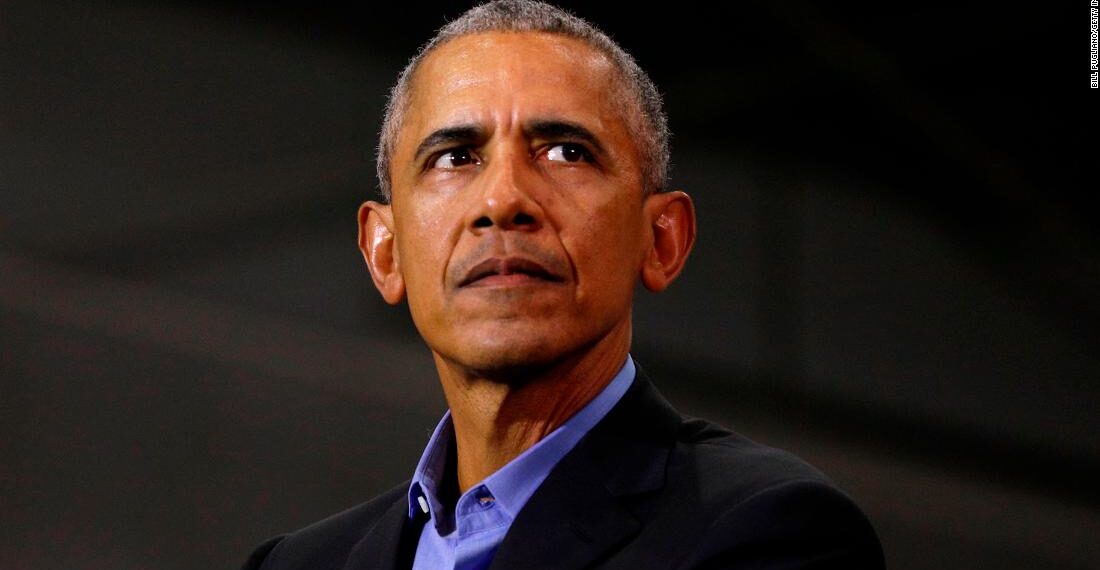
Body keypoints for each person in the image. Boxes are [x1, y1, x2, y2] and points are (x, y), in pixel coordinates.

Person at [242, 1, 885, 568]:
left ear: (661, 239)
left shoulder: (769, 531)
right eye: (454, 157)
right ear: (385, 253)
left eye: (565, 152)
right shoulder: (295, 564)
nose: (502, 199)